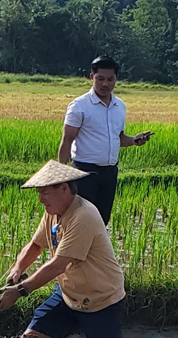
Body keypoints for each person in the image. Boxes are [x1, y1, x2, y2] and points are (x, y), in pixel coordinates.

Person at [0, 160, 141, 338]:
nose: (41, 199)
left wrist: (19, 290)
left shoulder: (83, 215)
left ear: (64, 188)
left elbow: (57, 265)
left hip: (100, 299)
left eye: (45, 193)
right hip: (68, 295)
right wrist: (16, 269)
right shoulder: (53, 213)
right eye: (39, 194)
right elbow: (35, 245)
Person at [57, 55, 151, 226]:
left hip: (109, 173)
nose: (105, 84)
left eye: (110, 79)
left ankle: (94, 253)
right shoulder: (79, 106)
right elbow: (67, 141)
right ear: (92, 77)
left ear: (116, 79)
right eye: (100, 79)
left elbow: (119, 138)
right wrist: (61, 177)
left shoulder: (119, 106)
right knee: (80, 221)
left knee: (102, 221)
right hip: (84, 173)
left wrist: (134, 140)